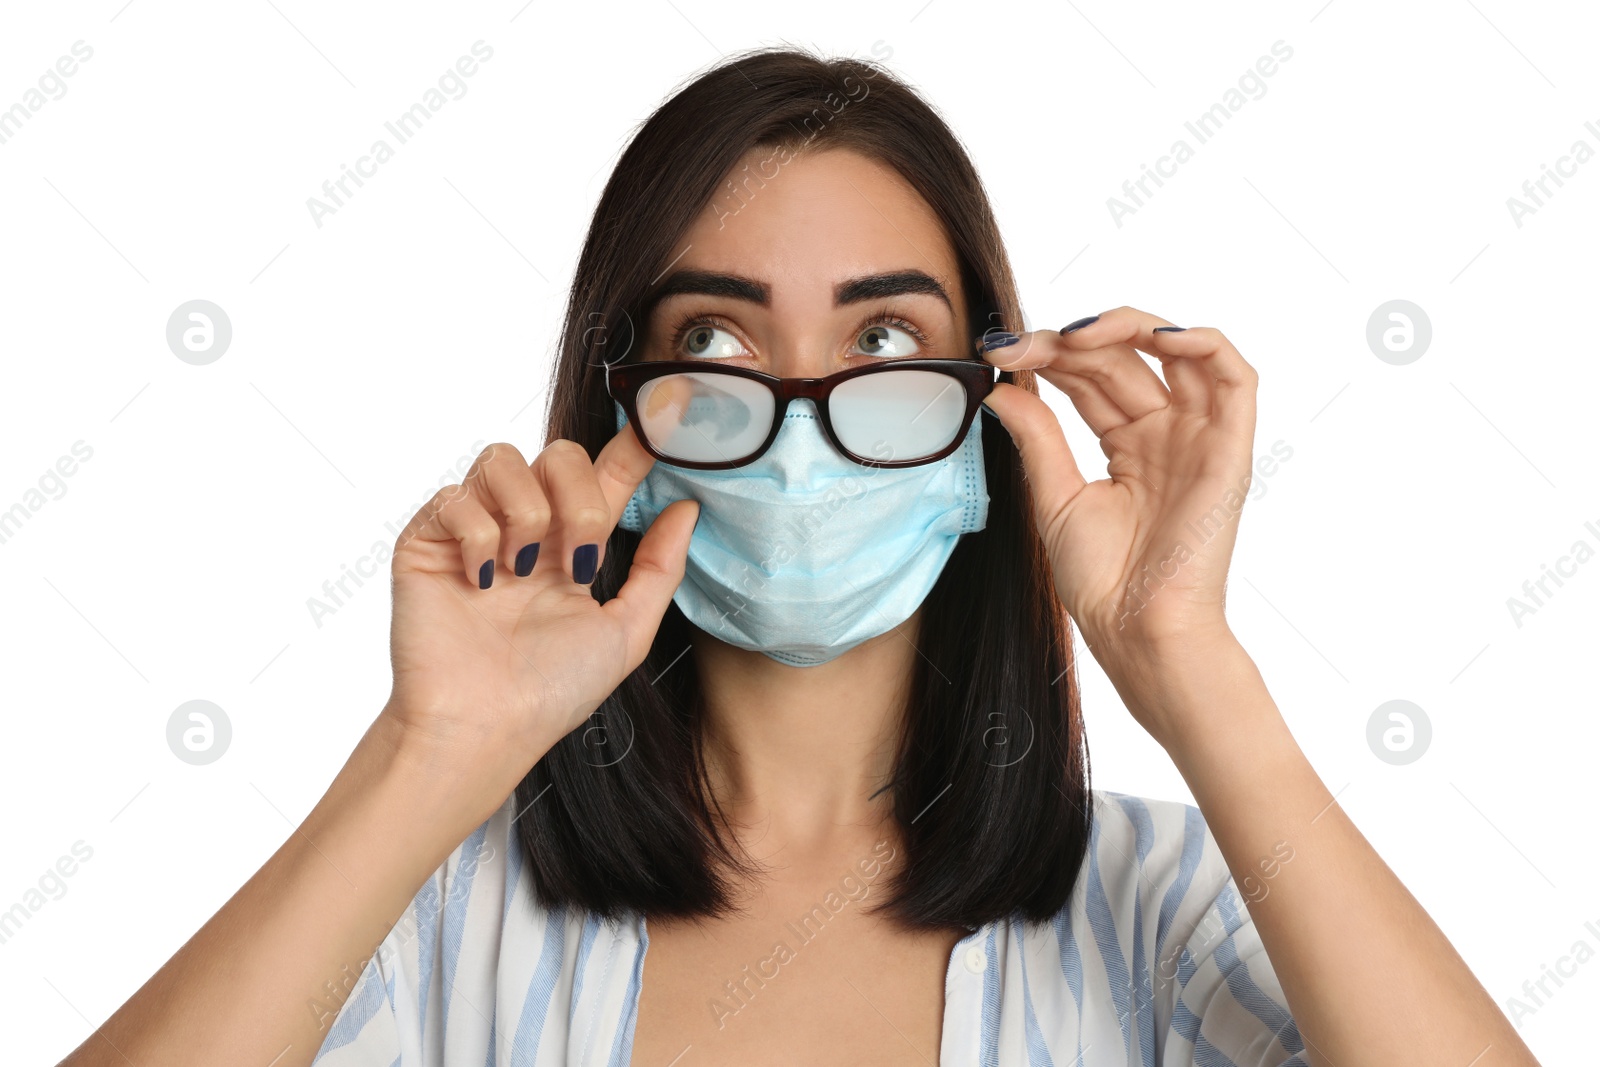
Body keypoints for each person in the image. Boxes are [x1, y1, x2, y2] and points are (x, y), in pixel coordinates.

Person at [57, 46, 1538, 1067]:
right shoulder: (434, 916)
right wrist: (431, 753)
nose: (805, 421)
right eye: (715, 338)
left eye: (884, 338)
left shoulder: (1171, 901)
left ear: (985, 417)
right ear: (618, 416)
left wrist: (1191, 667)